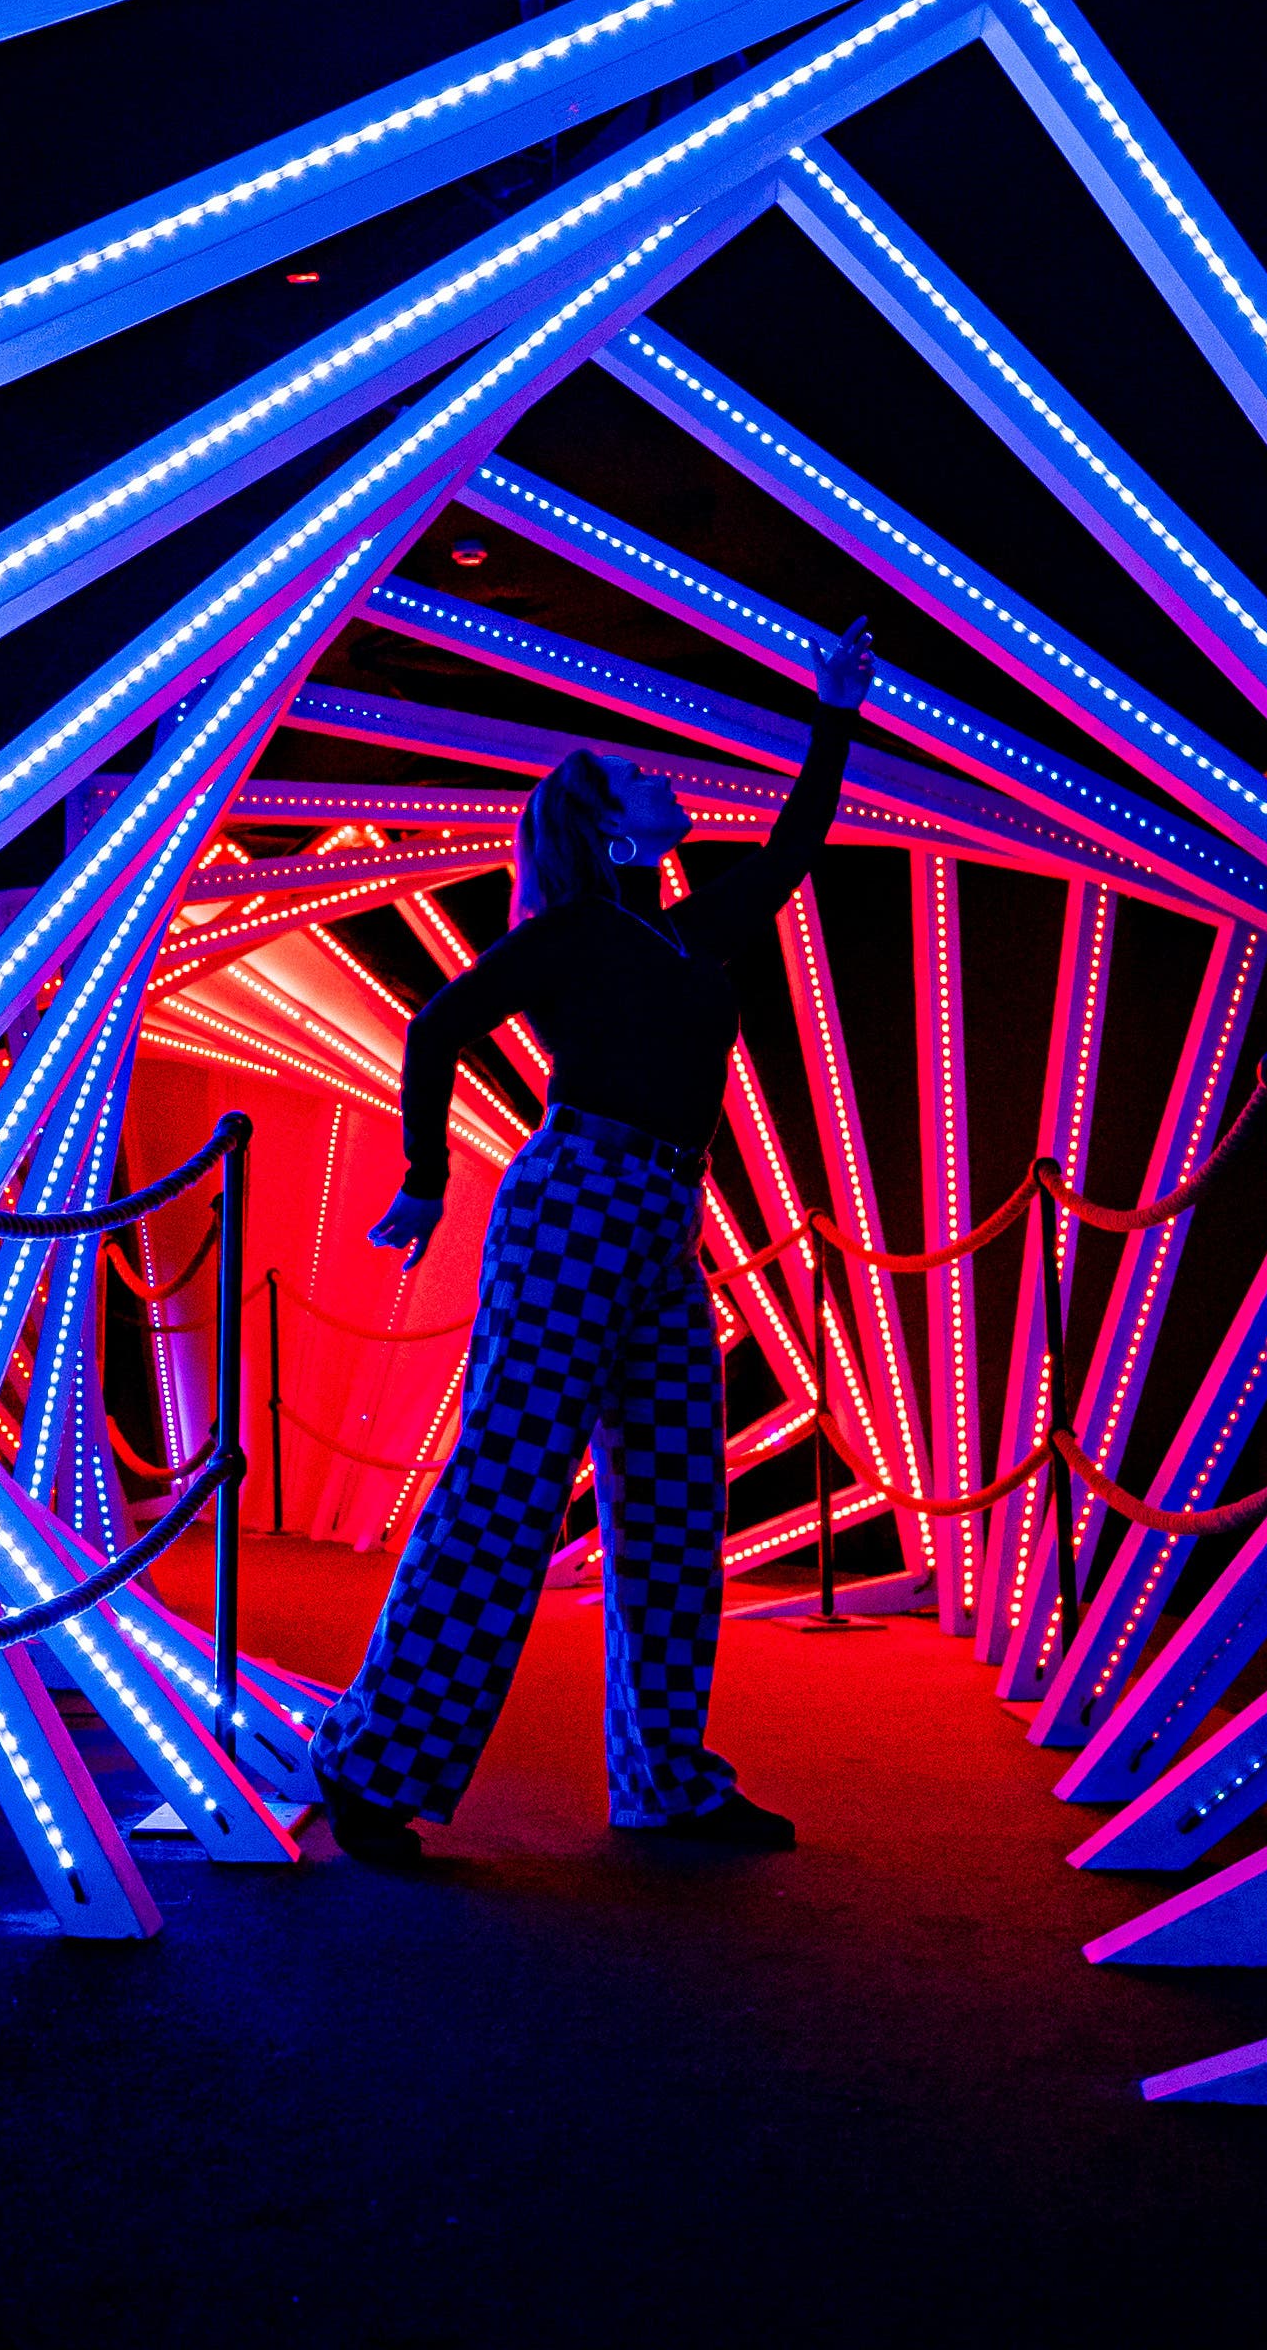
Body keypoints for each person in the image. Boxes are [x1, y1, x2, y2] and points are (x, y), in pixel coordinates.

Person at [302, 615, 877, 1866]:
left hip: (664, 1216)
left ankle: (665, 1781)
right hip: (572, 1204)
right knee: (508, 1487)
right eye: (641, 774)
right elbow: (437, 1023)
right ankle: (371, 1765)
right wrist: (424, 1173)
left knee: (677, 1494)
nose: (670, 778)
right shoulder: (570, 933)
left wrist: (833, 710)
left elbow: (793, 848)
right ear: (609, 824)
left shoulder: (686, 929)